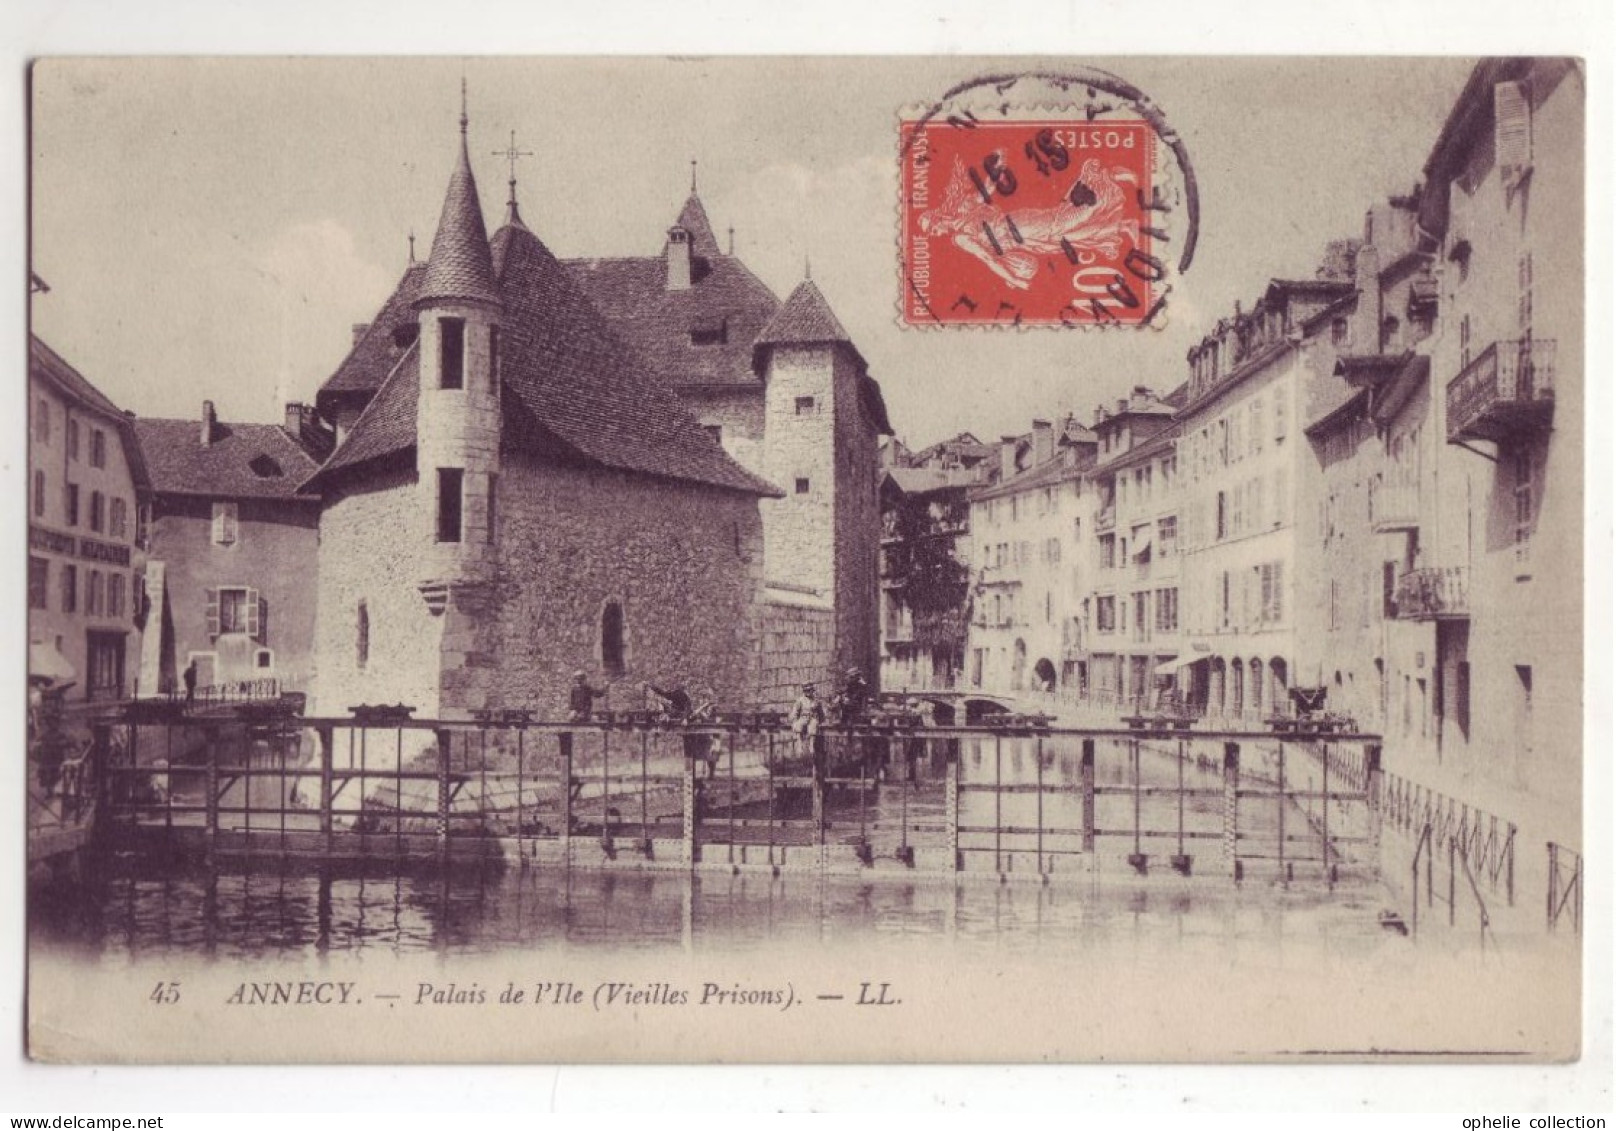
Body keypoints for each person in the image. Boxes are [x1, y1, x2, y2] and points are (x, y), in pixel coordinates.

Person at [790, 682, 823, 763]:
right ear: (804, 691)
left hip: (812, 718)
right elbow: (795, 711)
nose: (808, 692)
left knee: (813, 725)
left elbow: (821, 713)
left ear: (812, 691)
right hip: (803, 717)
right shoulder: (800, 700)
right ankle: (799, 745)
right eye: (806, 691)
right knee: (798, 725)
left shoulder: (816, 701)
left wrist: (821, 720)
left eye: (810, 690)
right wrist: (794, 719)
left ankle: (811, 745)